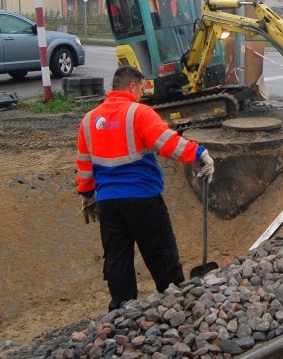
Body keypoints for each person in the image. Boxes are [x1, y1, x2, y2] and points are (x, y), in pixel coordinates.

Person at [75, 66, 215, 311]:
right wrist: (199, 152)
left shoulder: (90, 120)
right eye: (141, 88)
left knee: (117, 257)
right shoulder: (139, 113)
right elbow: (167, 143)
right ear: (132, 86)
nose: (142, 94)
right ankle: (174, 303)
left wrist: (88, 195)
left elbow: (84, 163)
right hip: (143, 199)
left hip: (108, 203)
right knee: (160, 252)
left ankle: (122, 309)